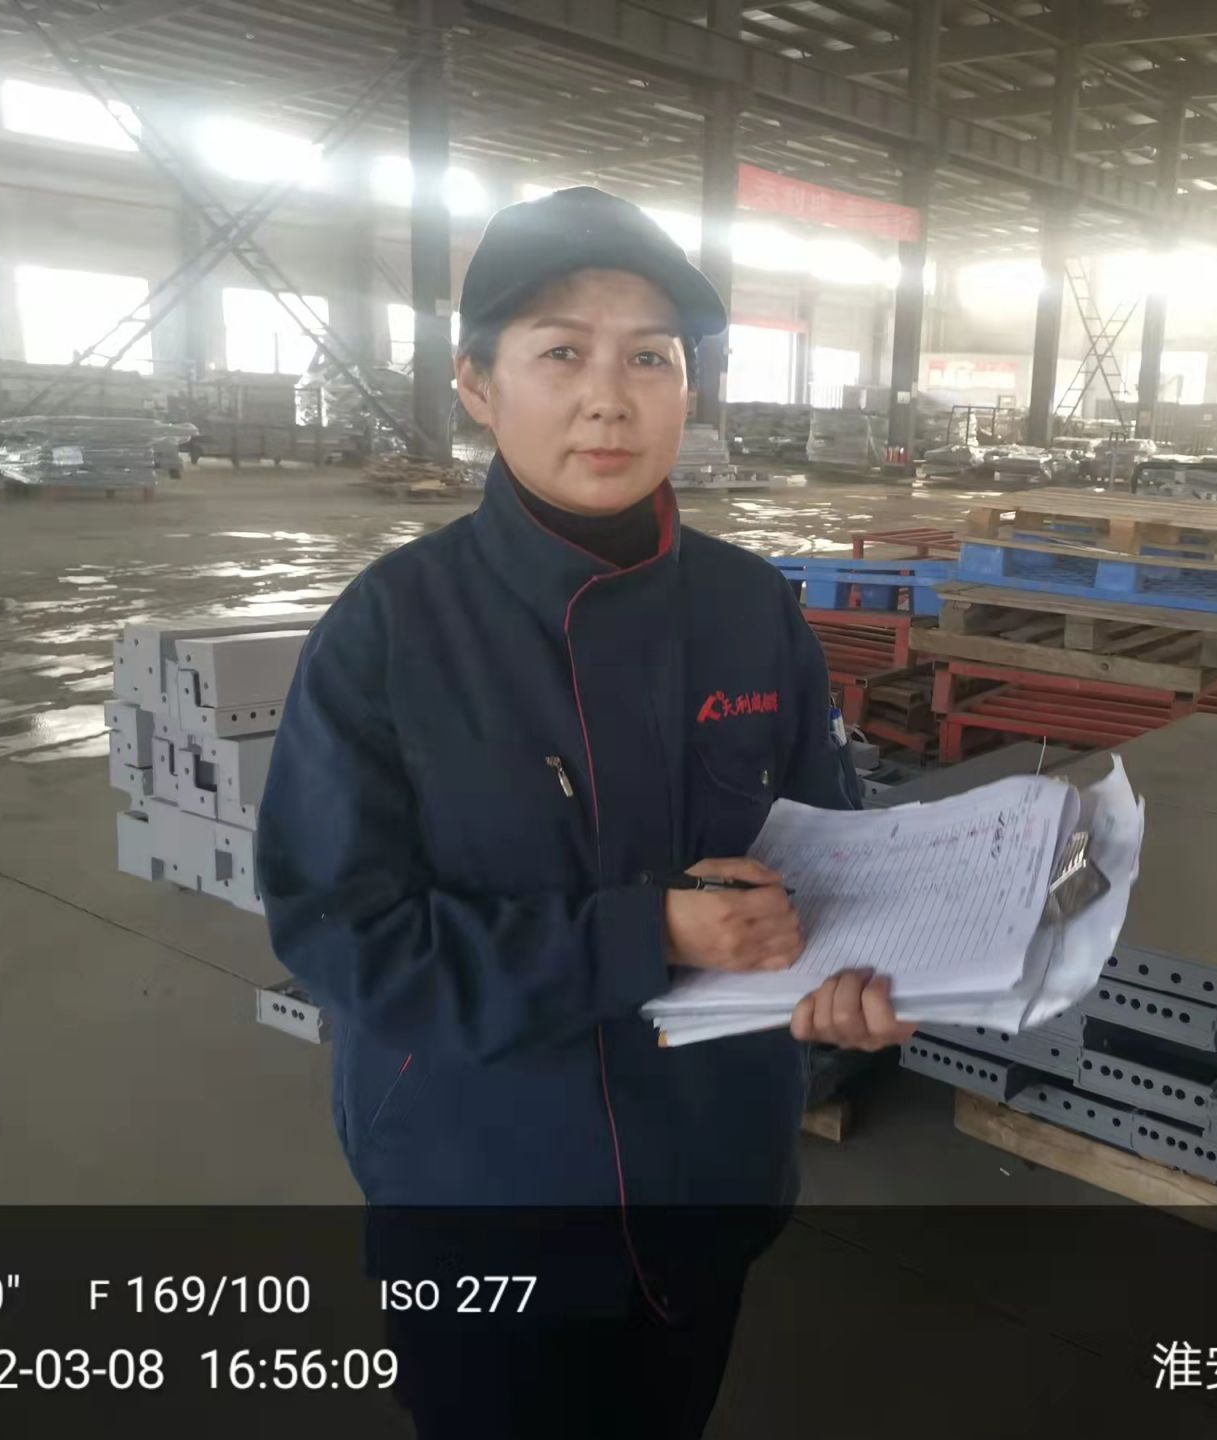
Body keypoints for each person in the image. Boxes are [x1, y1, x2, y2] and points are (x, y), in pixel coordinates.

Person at [254, 187, 915, 1438]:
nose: (610, 398)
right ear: (477, 384)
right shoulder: (392, 629)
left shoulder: (750, 610)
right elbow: (347, 940)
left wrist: (851, 985)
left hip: (709, 1176)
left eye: (650, 358)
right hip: (483, 1190)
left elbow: (826, 862)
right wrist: (645, 932)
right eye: (562, 352)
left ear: (689, 389)